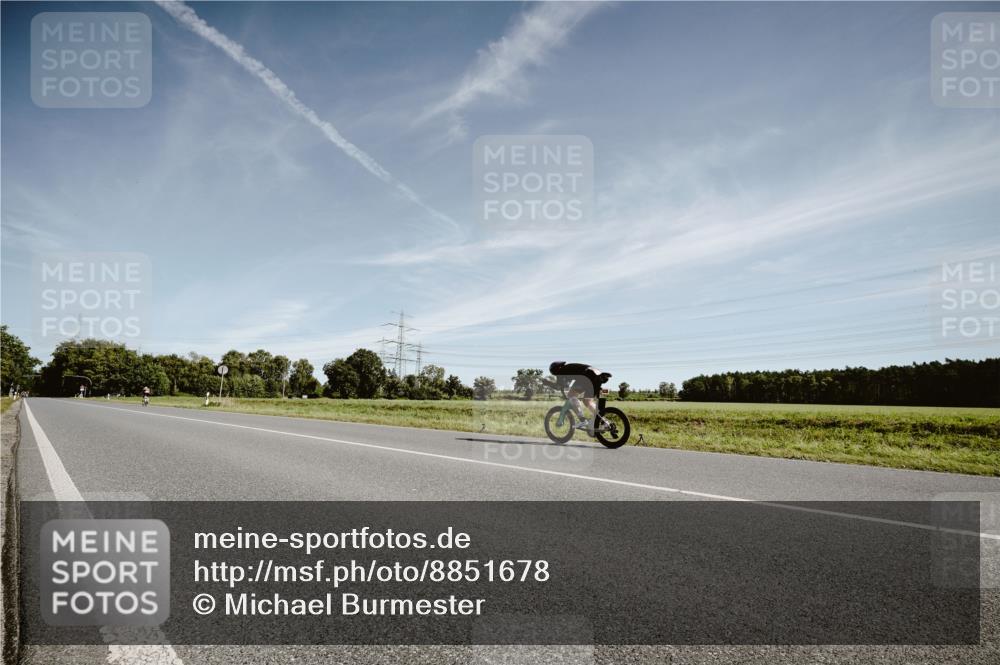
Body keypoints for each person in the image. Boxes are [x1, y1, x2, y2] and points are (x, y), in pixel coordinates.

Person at [548, 361, 612, 431]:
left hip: (587, 376)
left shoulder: (562, 371)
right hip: (597, 376)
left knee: (571, 395)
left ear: (555, 371)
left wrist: (547, 382)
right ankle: (605, 422)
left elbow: (560, 386)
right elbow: (565, 385)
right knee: (587, 402)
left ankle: (582, 420)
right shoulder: (570, 367)